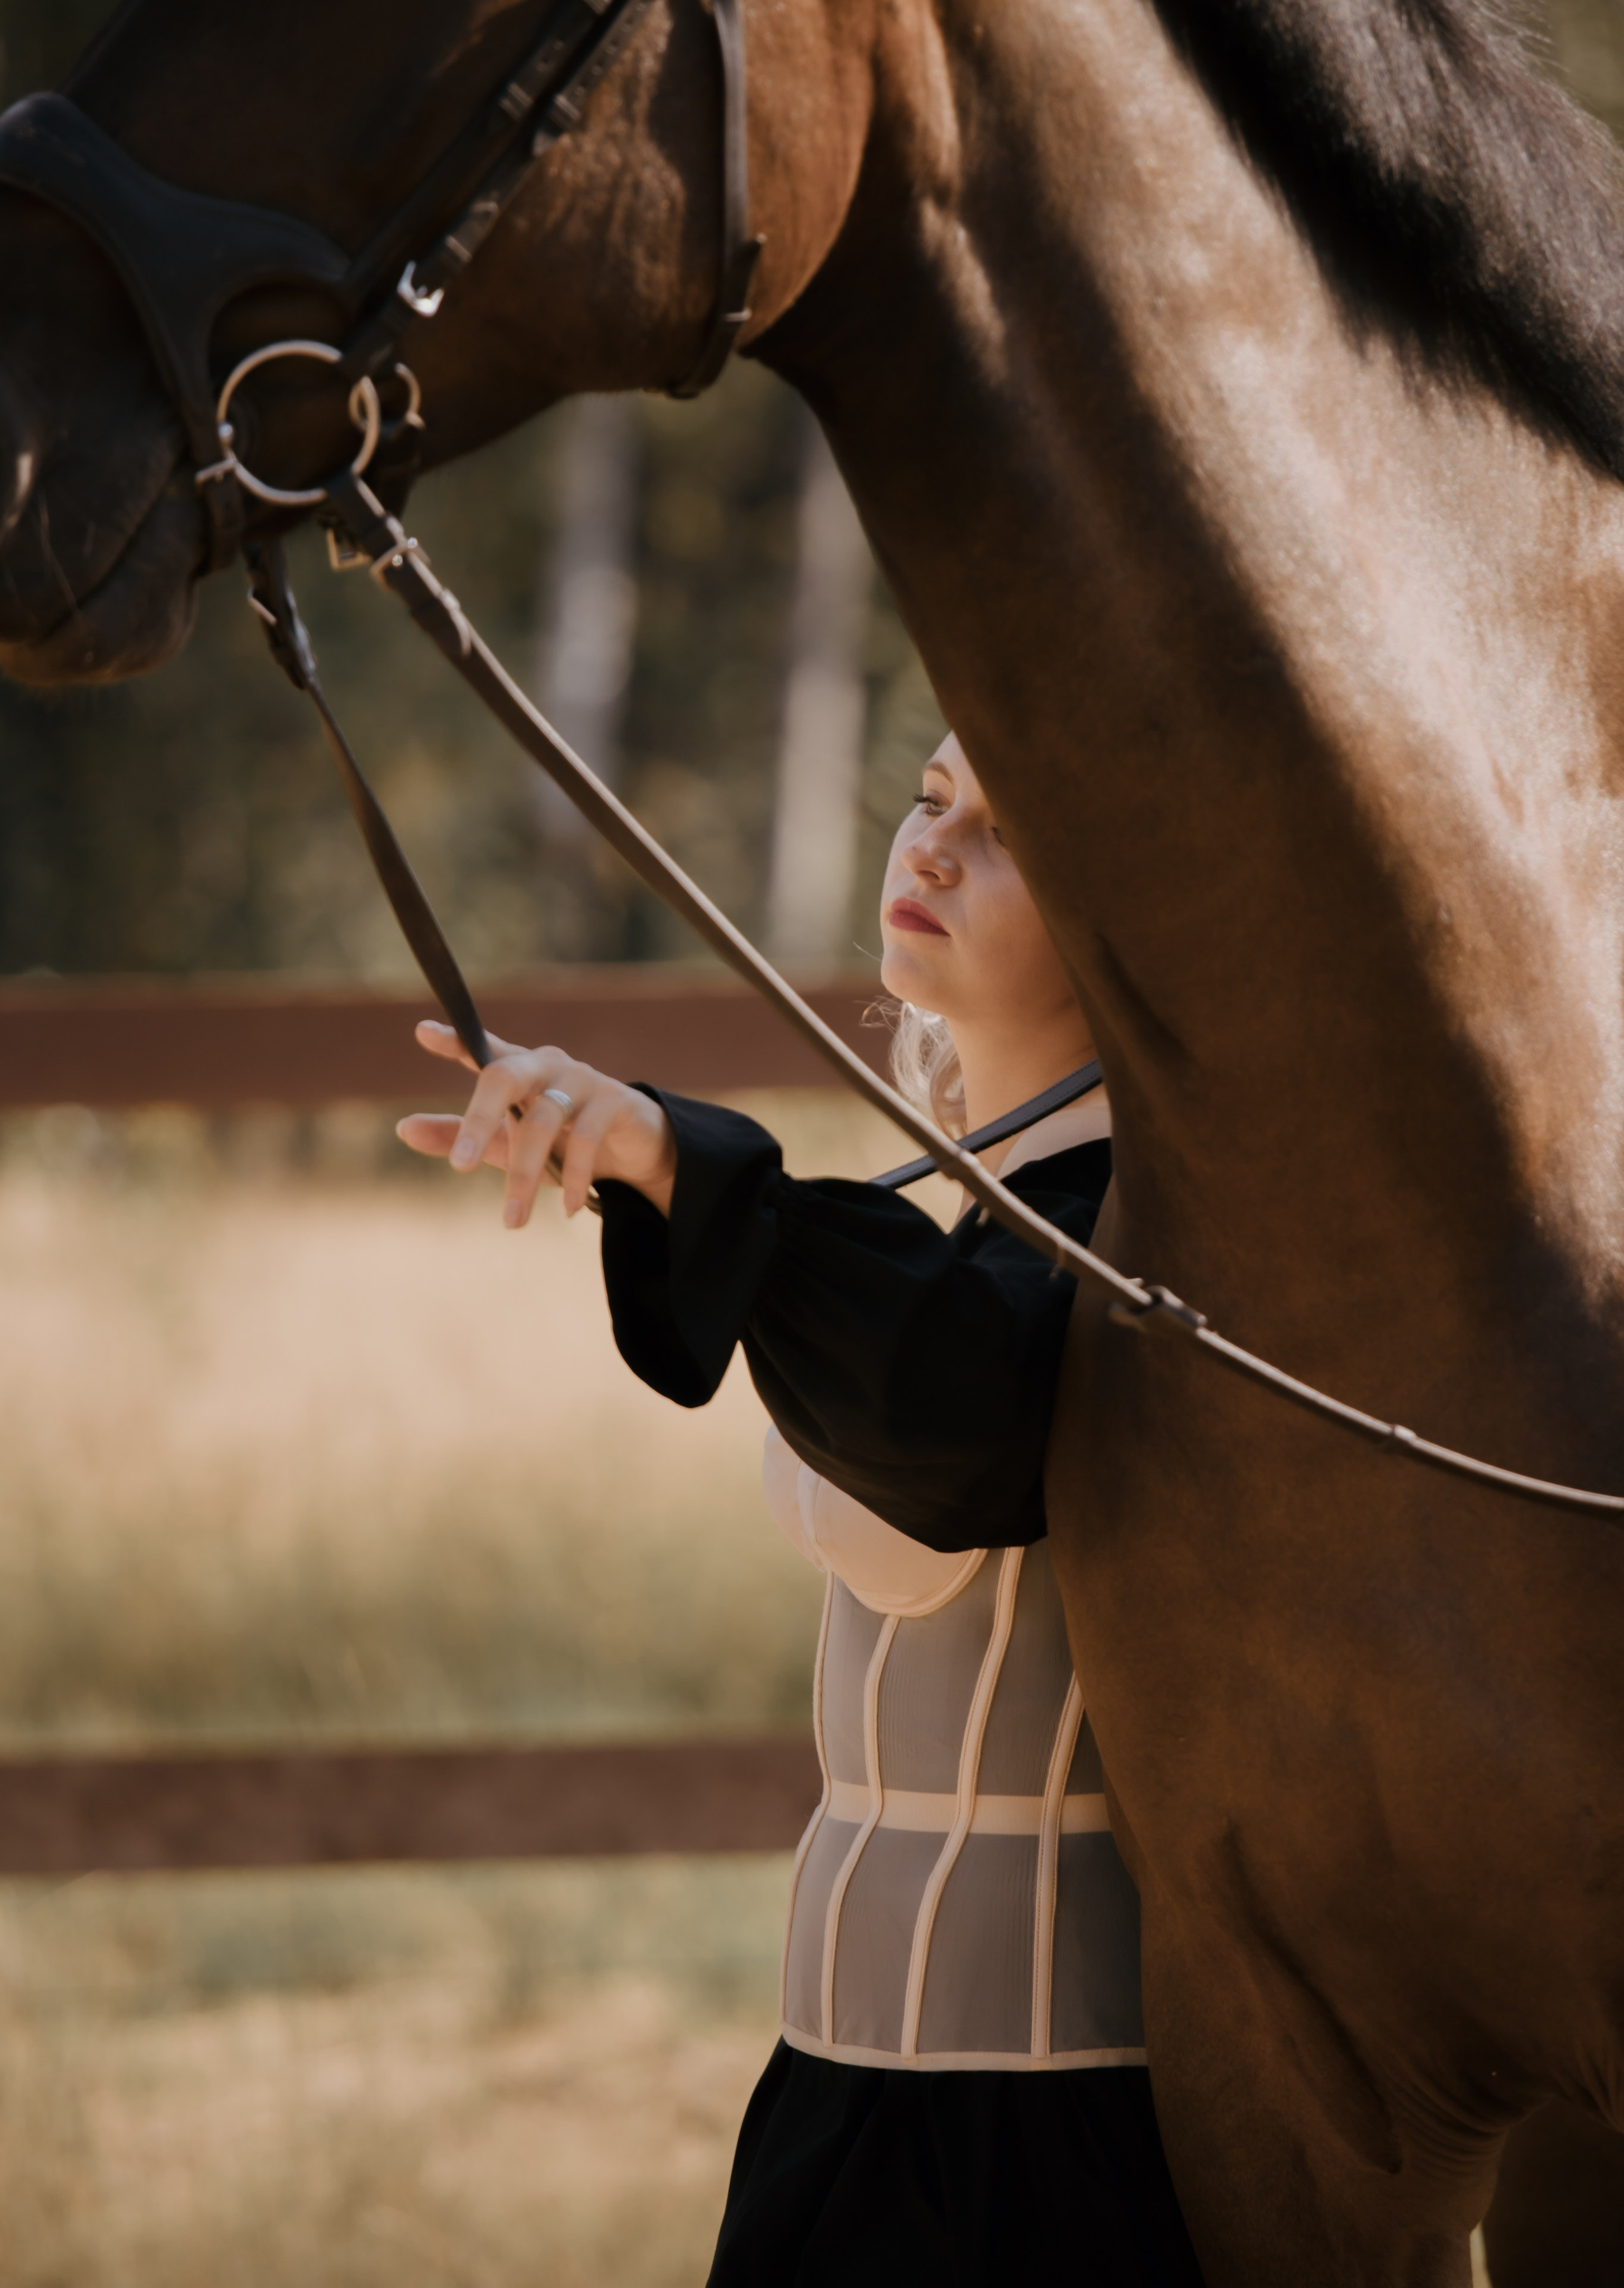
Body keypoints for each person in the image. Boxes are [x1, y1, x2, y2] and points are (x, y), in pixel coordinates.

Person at [398, 735, 1203, 2286]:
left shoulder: (1124, 1250)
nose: (930, 849)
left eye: (1003, 824)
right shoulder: (976, 1211)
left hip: (1038, 2134)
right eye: (926, 795)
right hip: (853, 2081)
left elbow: (953, 1422)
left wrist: (672, 1159)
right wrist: (663, 1179)